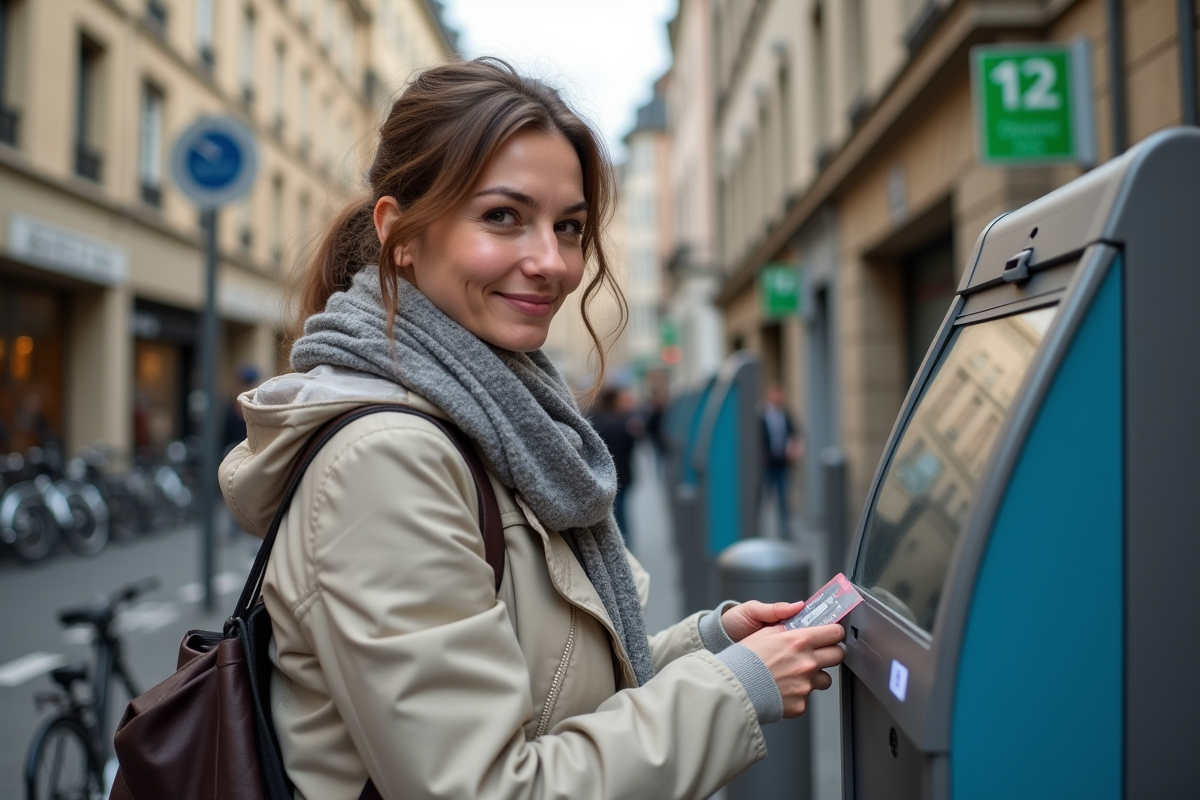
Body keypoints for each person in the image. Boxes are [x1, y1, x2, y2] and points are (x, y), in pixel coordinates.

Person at [219, 58, 843, 800]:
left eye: (570, 227)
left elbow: (551, 698)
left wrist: (710, 643)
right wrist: (736, 688)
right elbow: (486, 787)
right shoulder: (389, 460)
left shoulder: (497, 422)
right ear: (400, 235)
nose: (552, 262)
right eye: (502, 216)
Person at [588, 385, 641, 541]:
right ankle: (625, 544)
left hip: (602, 475)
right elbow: (630, 446)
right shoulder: (623, 422)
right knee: (622, 513)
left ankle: (617, 542)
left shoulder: (594, 420)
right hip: (622, 474)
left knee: (612, 514)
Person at [760, 382, 804, 538]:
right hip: (767, 464)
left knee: (784, 498)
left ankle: (784, 530)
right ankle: (761, 531)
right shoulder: (762, 415)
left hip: (783, 463)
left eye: (780, 393)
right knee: (763, 499)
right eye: (775, 393)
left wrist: (794, 448)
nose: (778, 397)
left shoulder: (786, 415)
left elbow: (795, 434)